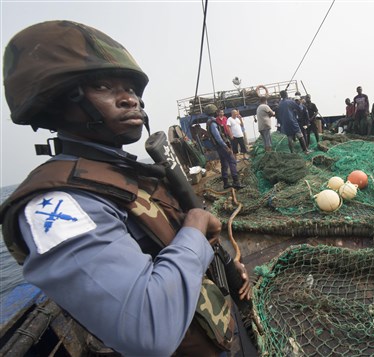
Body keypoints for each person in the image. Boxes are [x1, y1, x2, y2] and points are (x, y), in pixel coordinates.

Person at [0, 21, 253, 356]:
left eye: (132, 90)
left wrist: (221, 266)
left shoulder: (122, 172)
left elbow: (163, 245)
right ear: (59, 101)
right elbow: (149, 331)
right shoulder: (56, 203)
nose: (129, 100)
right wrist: (195, 227)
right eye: (104, 87)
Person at [206, 105, 245, 190]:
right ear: (215, 112)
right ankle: (236, 182)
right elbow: (218, 137)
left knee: (224, 164)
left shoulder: (209, 122)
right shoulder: (212, 123)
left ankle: (226, 183)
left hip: (218, 147)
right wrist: (226, 147)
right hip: (221, 146)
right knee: (232, 161)